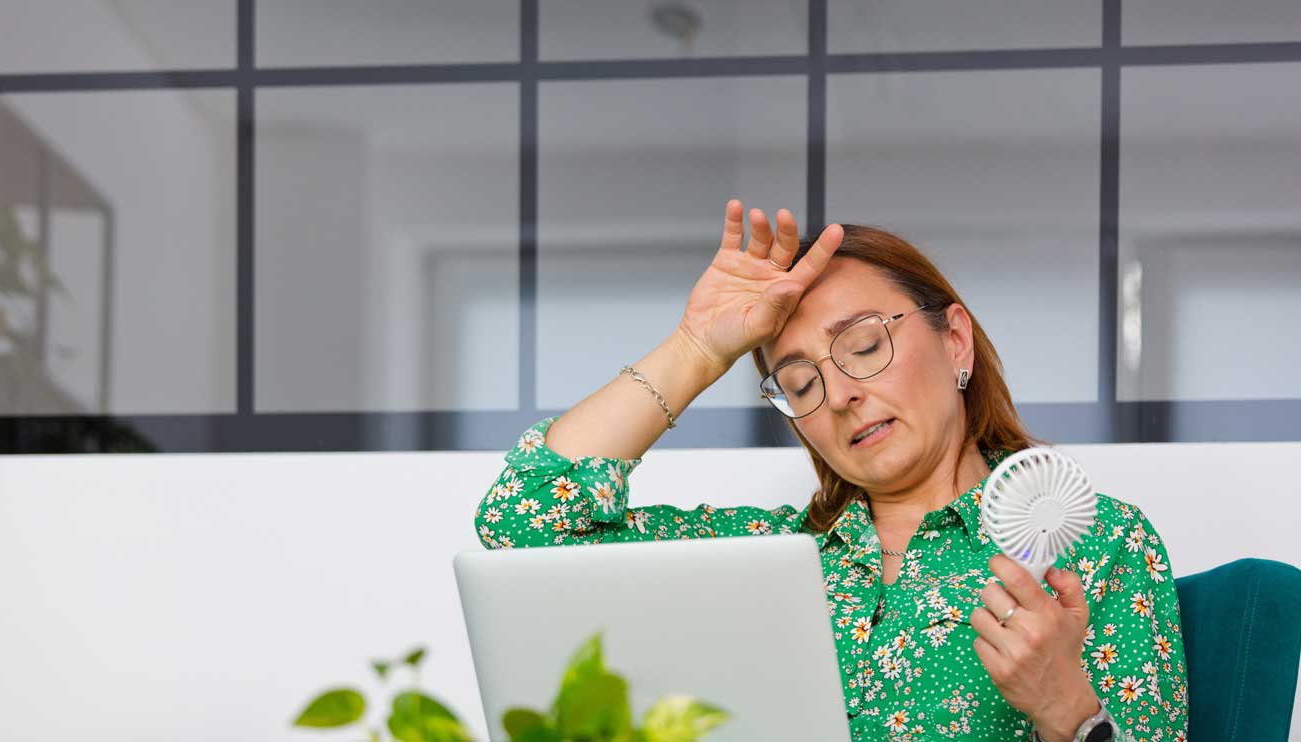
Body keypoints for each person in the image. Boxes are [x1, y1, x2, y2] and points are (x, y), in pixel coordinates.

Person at [475, 200, 1189, 741]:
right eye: (800, 380)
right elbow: (524, 526)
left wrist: (1072, 713)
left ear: (956, 340)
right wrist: (698, 347)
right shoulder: (761, 558)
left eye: (864, 344)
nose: (841, 393)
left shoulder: (1096, 547)